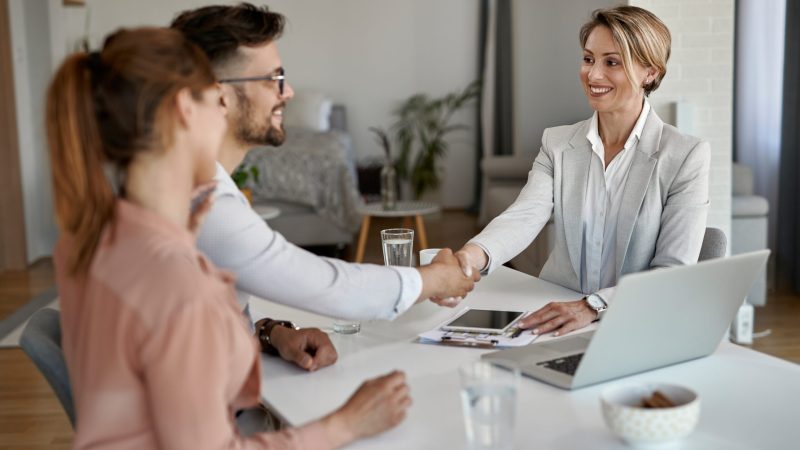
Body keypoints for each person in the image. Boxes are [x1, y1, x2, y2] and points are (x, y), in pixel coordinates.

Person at [49, 27, 411, 449]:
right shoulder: (176, 282)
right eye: (216, 101)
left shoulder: (91, 237)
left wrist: (270, 332)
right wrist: (345, 425)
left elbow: (152, 355)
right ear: (186, 109)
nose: (225, 117)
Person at [171, 3, 477, 372]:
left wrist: (270, 333)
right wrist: (435, 279)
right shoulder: (205, 204)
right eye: (274, 79)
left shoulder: (193, 179)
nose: (288, 92)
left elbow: (207, 313)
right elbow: (327, 285)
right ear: (220, 95)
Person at [455, 6, 710, 337]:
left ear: (650, 72)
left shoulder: (685, 156)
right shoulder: (558, 143)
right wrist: (468, 258)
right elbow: (523, 217)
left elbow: (672, 271)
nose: (593, 75)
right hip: (555, 315)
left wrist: (594, 306)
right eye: (589, 59)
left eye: (612, 62)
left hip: (634, 323)